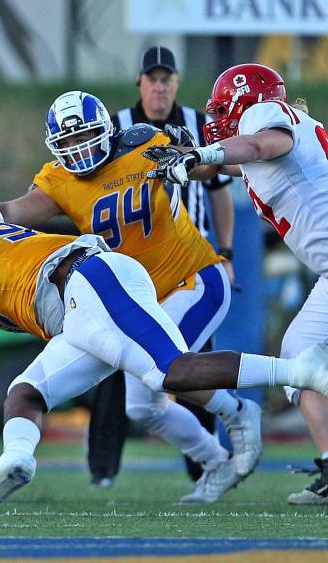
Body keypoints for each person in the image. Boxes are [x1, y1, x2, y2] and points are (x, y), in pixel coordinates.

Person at [0, 195, 328, 512]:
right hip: (75, 309)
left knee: (171, 373)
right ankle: (16, 460)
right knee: (25, 391)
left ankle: (303, 368)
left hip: (87, 284)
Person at [144, 62, 328, 505]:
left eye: (222, 109)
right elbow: (235, 163)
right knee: (299, 362)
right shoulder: (255, 151)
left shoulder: (267, 118)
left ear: (246, 102)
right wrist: (182, 158)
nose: (217, 118)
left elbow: (256, 144)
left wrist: (205, 154)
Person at [0, 90, 257, 503]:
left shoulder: (144, 144)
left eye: (85, 137)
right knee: (141, 408)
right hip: (140, 298)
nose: (77, 149)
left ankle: (238, 413)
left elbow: (208, 170)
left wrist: (192, 157)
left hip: (194, 278)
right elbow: (13, 211)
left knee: (166, 371)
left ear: (106, 129)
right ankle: (217, 460)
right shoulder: (58, 180)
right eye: (68, 143)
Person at [91, 46, 238, 486]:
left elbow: (219, 189)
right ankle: (103, 470)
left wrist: (227, 253)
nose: (159, 86)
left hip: (186, 265)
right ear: (140, 82)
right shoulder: (113, 126)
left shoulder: (195, 126)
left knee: (192, 363)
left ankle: (205, 467)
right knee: (114, 365)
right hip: (128, 268)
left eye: (166, 79)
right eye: (152, 78)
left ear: (175, 83)